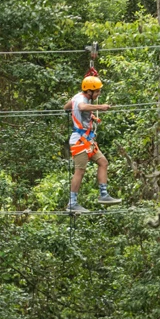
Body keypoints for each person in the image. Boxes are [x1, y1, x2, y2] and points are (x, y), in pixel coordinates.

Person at [63, 69, 122, 212]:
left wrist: (86, 116)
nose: (98, 94)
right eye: (97, 92)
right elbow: (82, 107)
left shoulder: (77, 97)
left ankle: (103, 195)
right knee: (80, 171)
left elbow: (67, 107)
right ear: (89, 91)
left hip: (88, 142)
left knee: (103, 162)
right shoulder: (82, 100)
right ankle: (72, 203)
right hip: (79, 142)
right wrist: (100, 107)